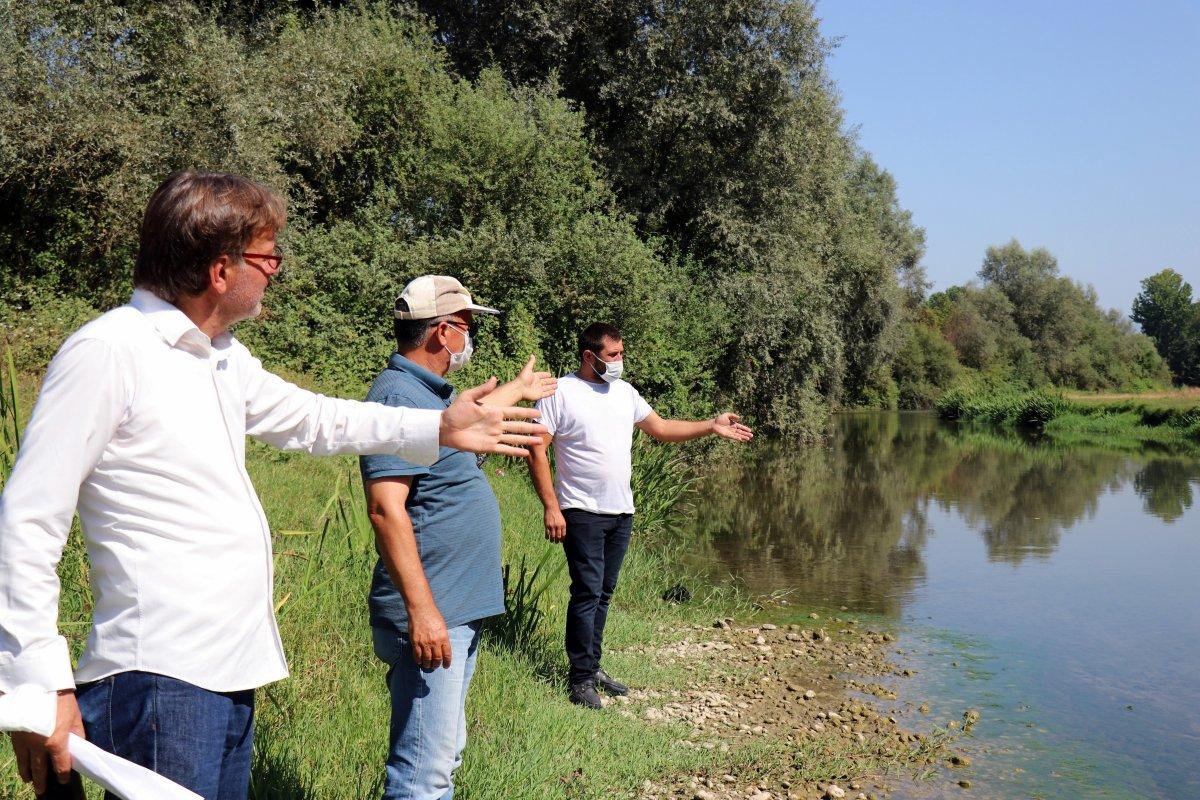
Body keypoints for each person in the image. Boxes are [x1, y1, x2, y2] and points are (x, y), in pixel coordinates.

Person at [0, 172, 544, 800]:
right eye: (267, 256)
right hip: (160, 678)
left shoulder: (218, 355)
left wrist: (439, 426)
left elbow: (313, 419)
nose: (276, 272)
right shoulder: (110, 351)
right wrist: (37, 687)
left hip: (228, 670)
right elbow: (27, 518)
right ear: (218, 269)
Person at [361, 276, 555, 800]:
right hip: (434, 611)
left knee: (442, 758)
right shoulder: (398, 396)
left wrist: (518, 389)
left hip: (454, 607)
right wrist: (423, 613)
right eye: (466, 327)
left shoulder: (428, 396)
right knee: (423, 773)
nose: (470, 338)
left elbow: (472, 427)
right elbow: (385, 510)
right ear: (442, 332)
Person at [528, 322, 753, 709]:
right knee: (586, 591)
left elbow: (661, 428)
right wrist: (552, 506)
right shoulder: (559, 393)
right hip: (580, 510)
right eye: (612, 355)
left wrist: (710, 426)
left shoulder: (624, 393)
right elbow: (536, 449)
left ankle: (592, 666)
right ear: (589, 356)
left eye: (621, 353)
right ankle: (580, 680)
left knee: (604, 592)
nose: (619, 361)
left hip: (621, 510)